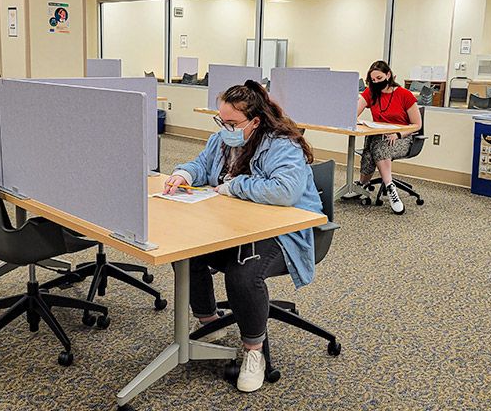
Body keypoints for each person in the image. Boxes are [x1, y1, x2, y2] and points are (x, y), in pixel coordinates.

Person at [164, 80, 323, 393]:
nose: (225, 128)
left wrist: (233, 186)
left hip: (285, 230)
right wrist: (185, 173)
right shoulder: (223, 139)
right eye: (221, 121)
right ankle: (209, 322)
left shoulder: (281, 144)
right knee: (183, 251)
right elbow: (201, 163)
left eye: (232, 123)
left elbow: (284, 191)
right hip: (232, 225)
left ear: (255, 121)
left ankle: (253, 352)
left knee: (242, 274)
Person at [356, 60, 422, 214]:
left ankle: (384, 187)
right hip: (378, 137)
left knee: (375, 147)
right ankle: (366, 185)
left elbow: (417, 124)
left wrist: (398, 134)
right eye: (373, 80)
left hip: (402, 139)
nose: (376, 82)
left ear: (388, 75)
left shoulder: (404, 94)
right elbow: (354, 112)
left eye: (379, 78)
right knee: (375, 143)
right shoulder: (371, 92)